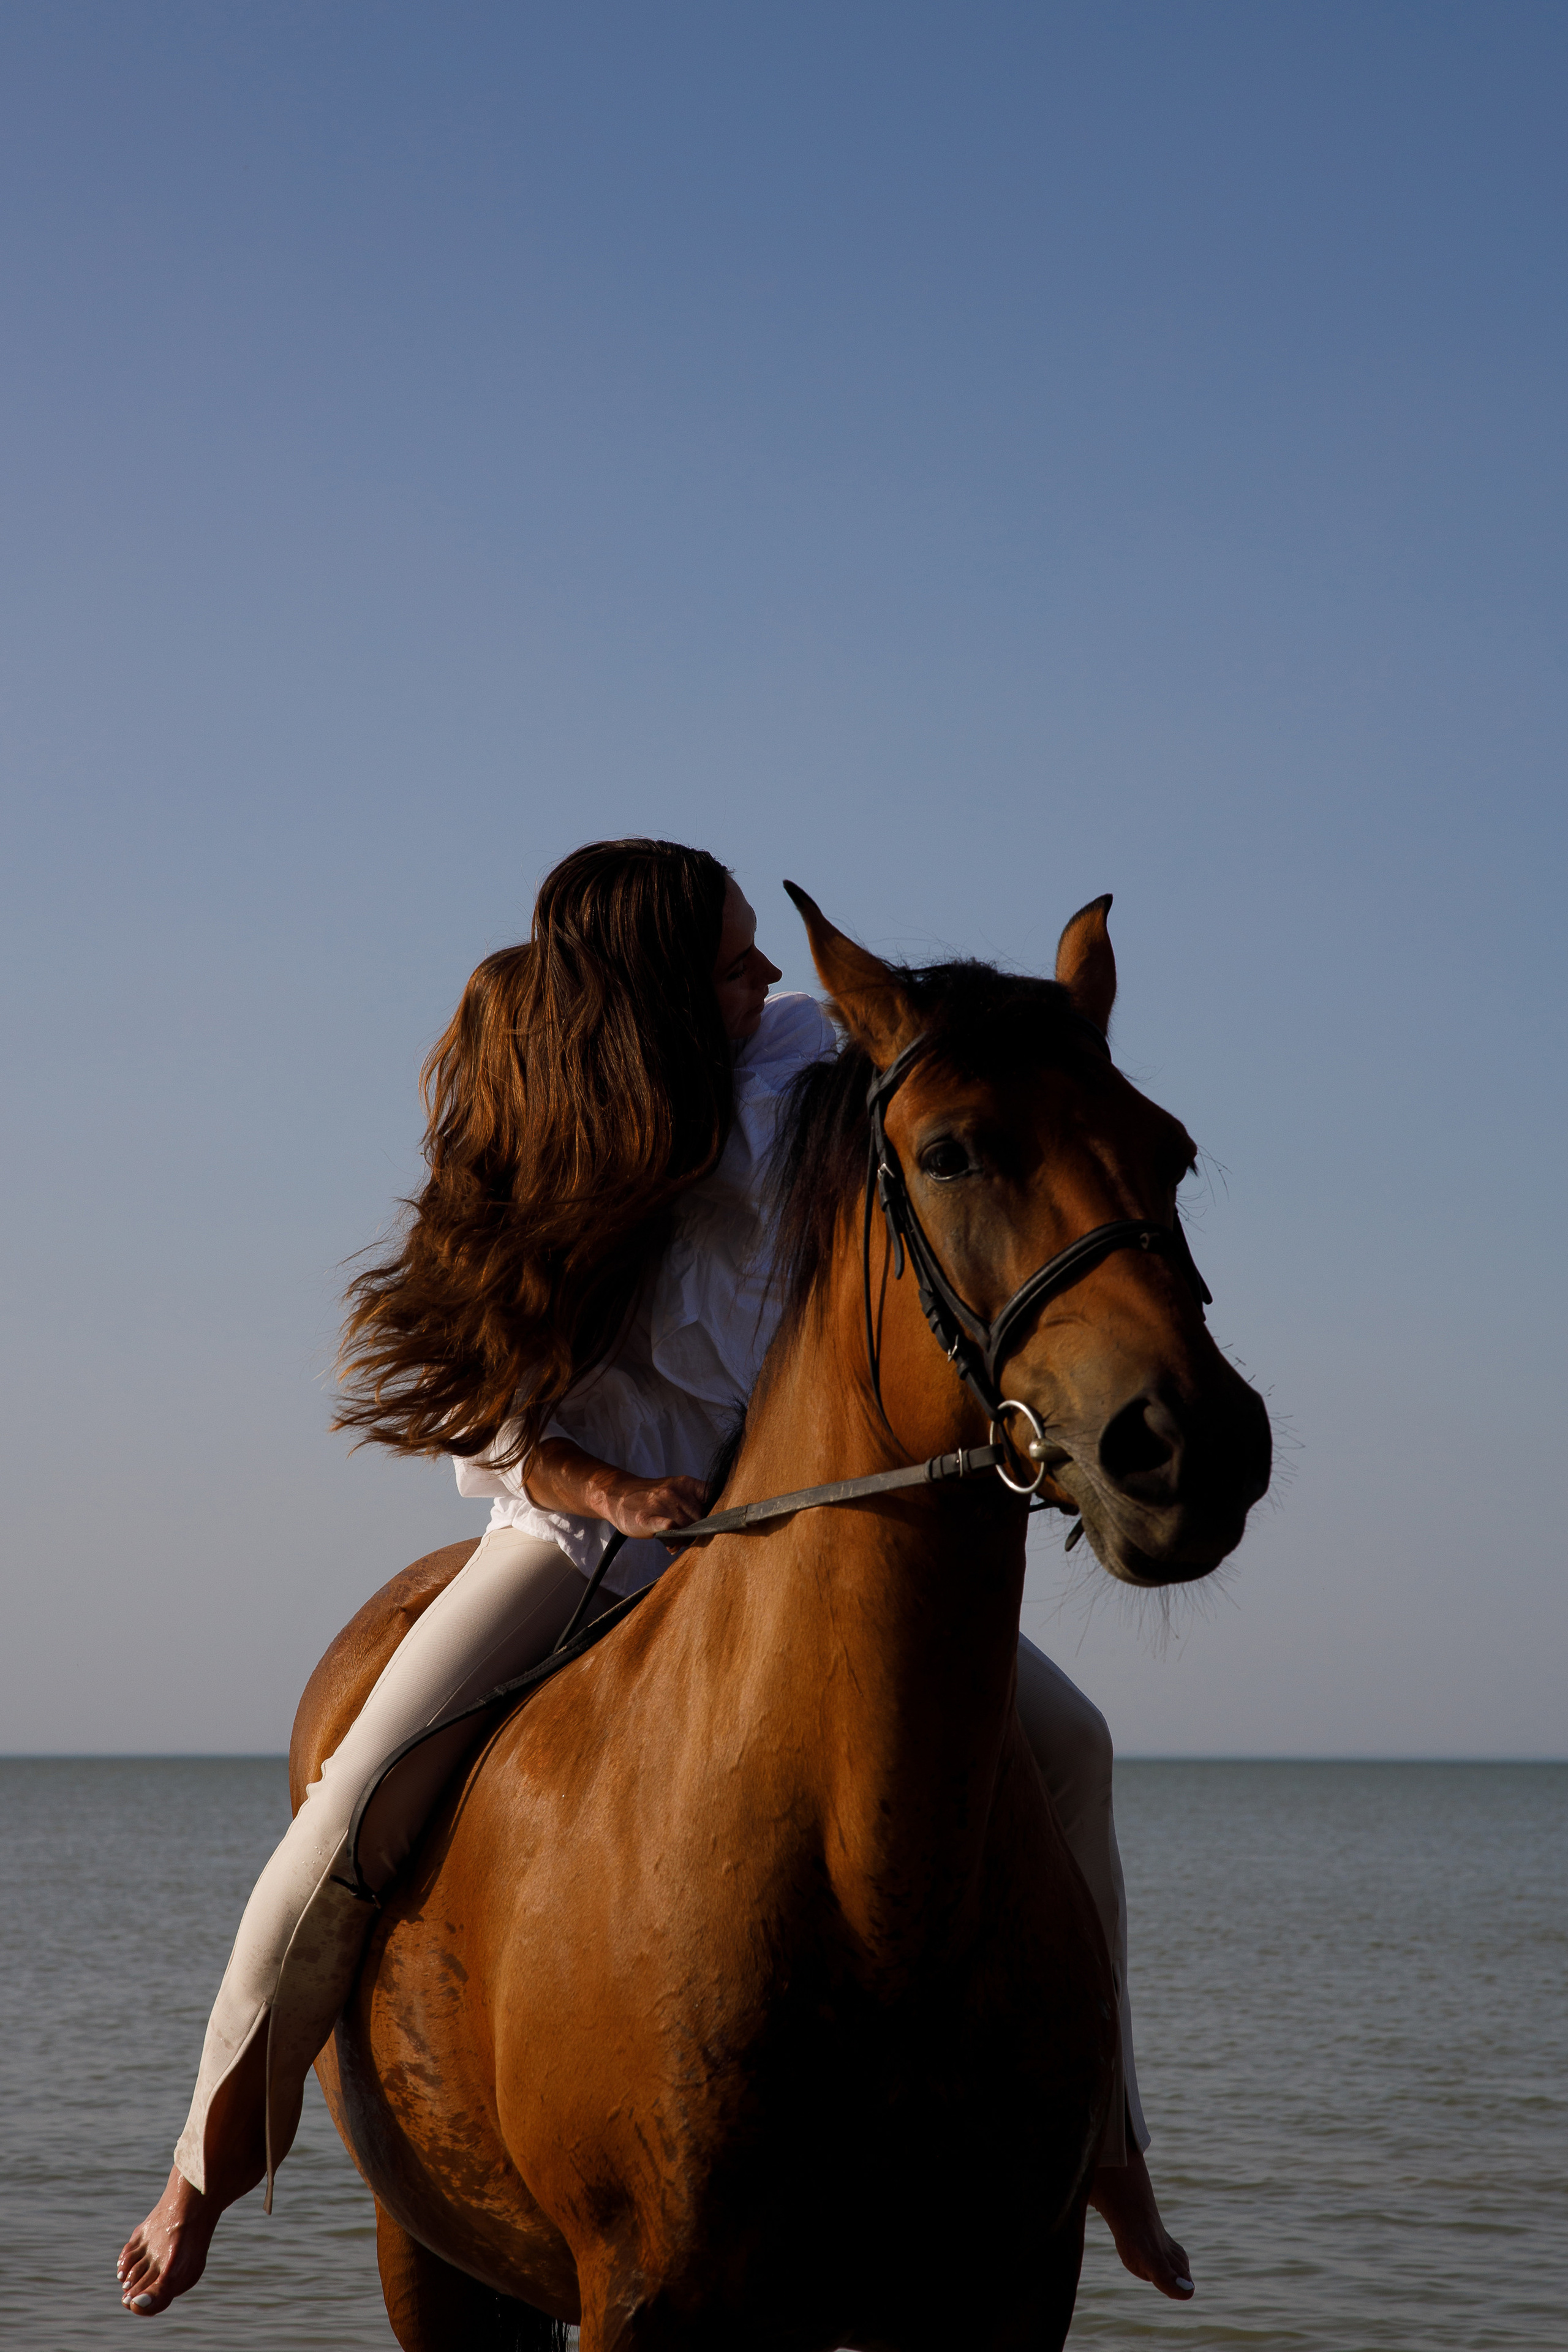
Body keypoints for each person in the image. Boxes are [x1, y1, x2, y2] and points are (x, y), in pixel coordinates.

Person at [118, 837, 1193, 2316]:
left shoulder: (795, 1070)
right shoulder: (540, 1138)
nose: (765, 974)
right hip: (579, 1546)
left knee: (1073, 1747)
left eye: (762, 950)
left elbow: (929, 1065)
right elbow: (496, 1413)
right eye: (733, 961)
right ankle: (201, 2164)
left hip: (786, 1547)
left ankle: (1108, 2150)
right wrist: (606, 1489)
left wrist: (1042, 1037)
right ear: (650, 994)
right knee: (353, 1805)